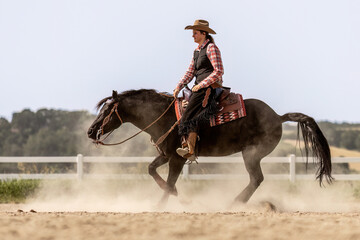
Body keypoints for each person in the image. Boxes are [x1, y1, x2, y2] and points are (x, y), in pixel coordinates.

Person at [173, 19, 224, 161]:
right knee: (186, 110)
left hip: (208, 88)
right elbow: (190, 73)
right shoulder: (196, 51)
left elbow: (219, 71)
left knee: (189, 113)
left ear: (203, 33)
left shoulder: (211, 48)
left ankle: (190, 149)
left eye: (195, 33)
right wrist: (179, 86)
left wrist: (201, 85)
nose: (192, 36)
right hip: (198, 88)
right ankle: (188, 148)